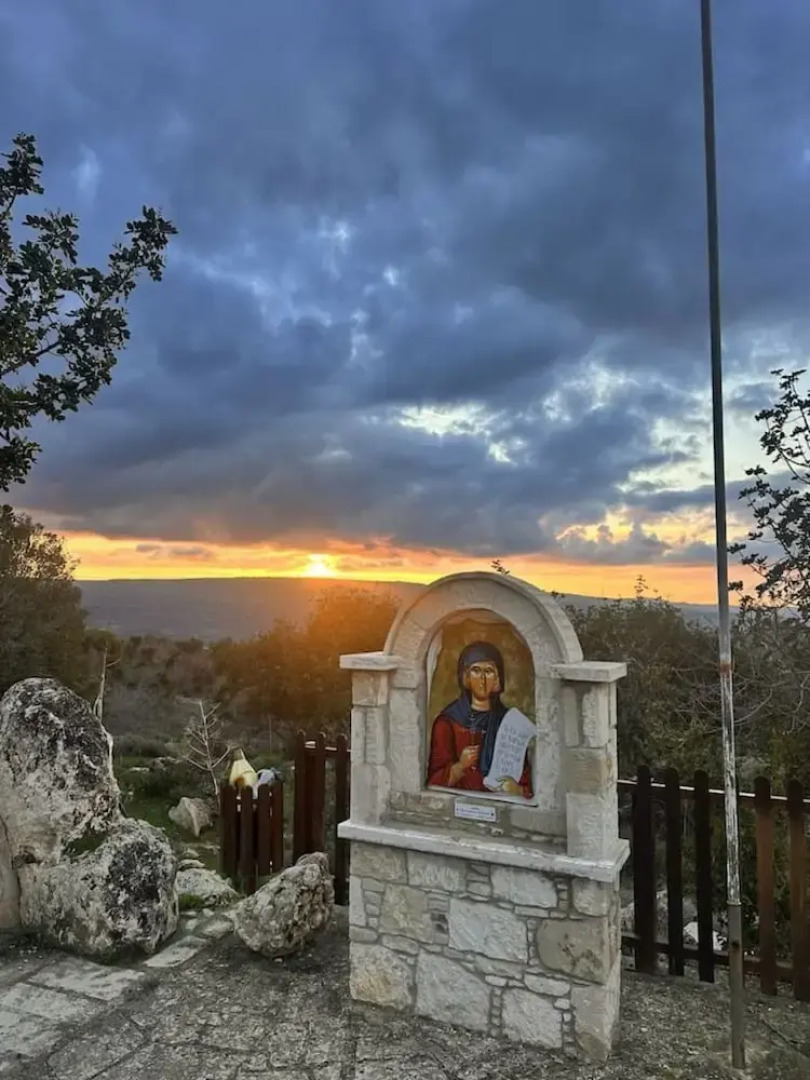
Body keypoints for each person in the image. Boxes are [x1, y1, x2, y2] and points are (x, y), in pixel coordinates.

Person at [426, 640, 532, 798]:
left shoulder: (510, 723)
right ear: (466, 677)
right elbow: (433, 782)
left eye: (488, 671)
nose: (482, 679)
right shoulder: (447, 723)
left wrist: (516, 789)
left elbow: (525, 782)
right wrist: (460, 767)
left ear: (497, 680)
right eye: (476, 670)